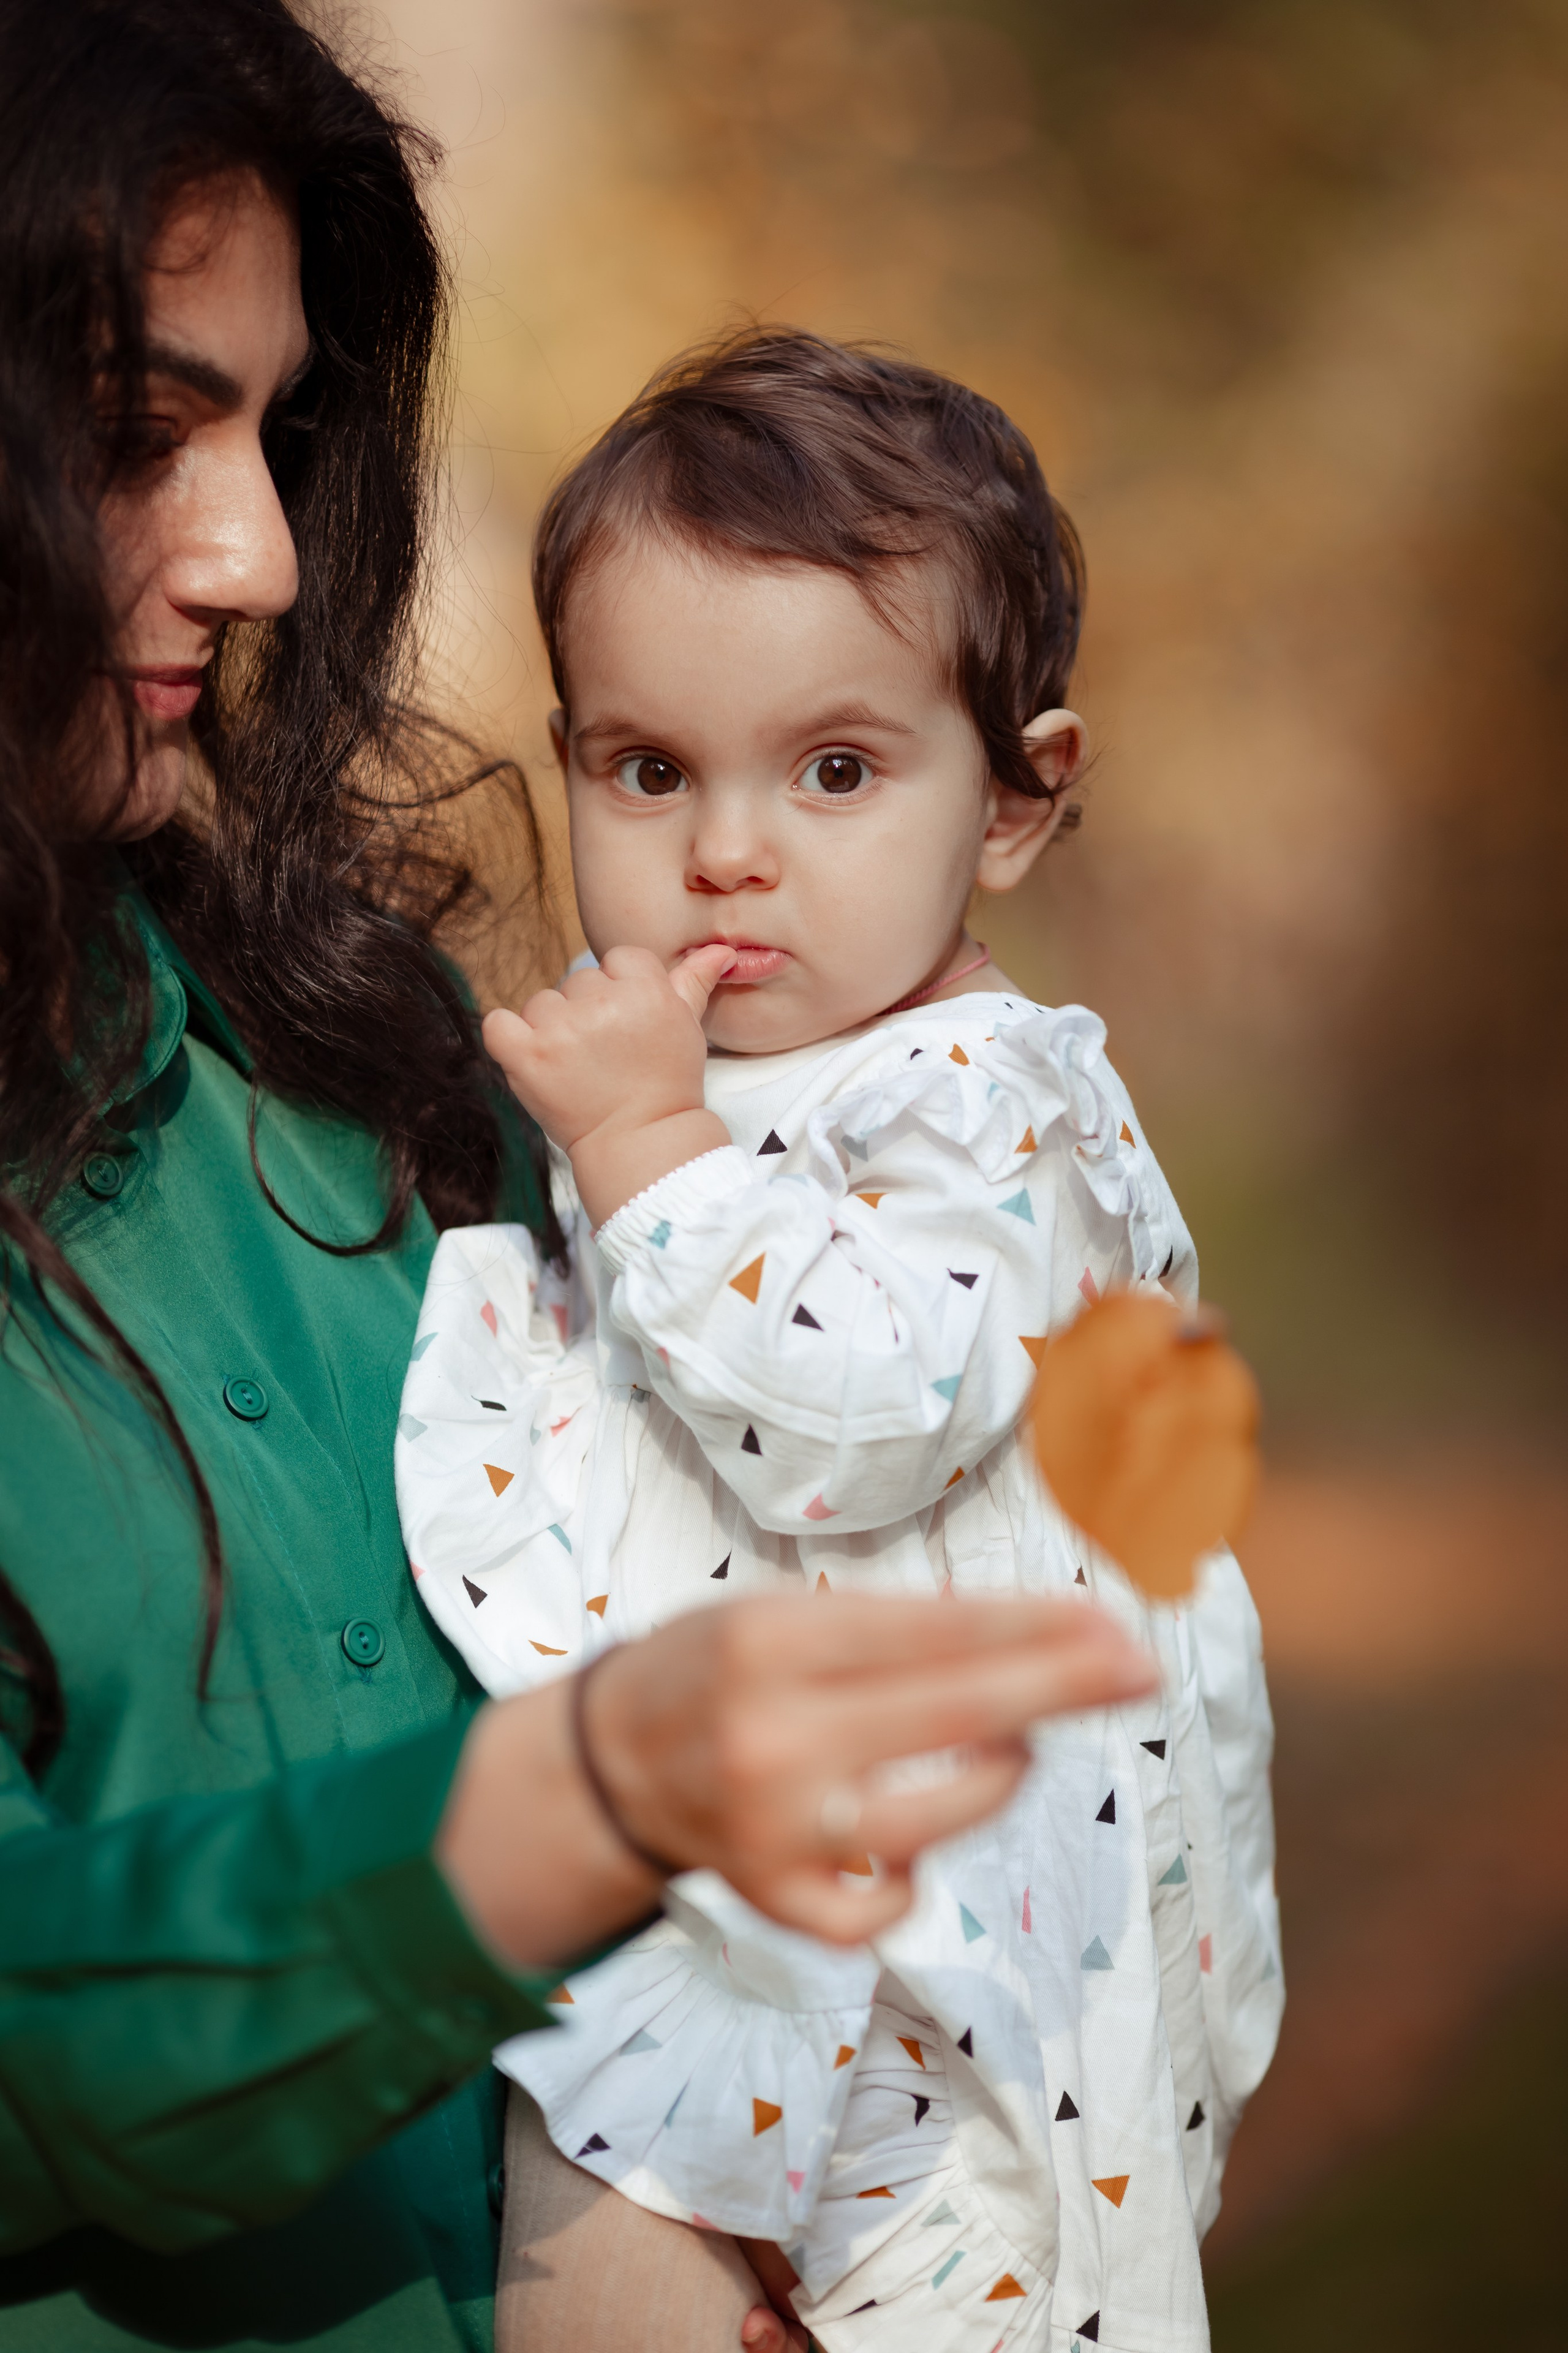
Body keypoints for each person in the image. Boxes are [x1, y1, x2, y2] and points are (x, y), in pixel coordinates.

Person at [0, 12, 1163, 2352]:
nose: (247, 556)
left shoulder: (370, 1042)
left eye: (273, 427)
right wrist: (548, 1827)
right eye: (137, 438)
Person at [396, 334, 1285, 2352]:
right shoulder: (731, 1071)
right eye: (647, 769)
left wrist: (637, 1147)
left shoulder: (984, 1103)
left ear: (1017, 804)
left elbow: (862, 1412)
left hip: (954, 1993)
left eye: (835, 771)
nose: (727, 850)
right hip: (745, 1926)